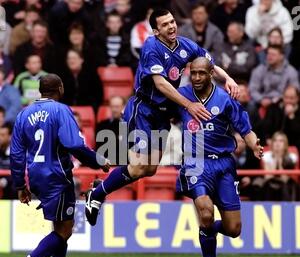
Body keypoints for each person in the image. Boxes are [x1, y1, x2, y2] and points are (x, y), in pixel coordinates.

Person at [85, 8, 239, 226]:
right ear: (157, 31)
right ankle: (98, 193)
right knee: (139, 166)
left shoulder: (185, 45)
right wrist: (189, 105)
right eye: (165, 24)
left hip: (163, 113)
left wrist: (228, 78)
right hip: (144, 110)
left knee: (149, 169)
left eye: (173, 21)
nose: (172, 26)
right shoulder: (151, 47)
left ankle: (99, 191)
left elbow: (208, 63)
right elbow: (160, 84)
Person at [6, 74, 110, 257]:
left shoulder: (24, 114)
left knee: (61, 226)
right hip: (57, 175)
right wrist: (97, 161)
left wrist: (20, 185)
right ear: (60, 89)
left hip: (36, 176)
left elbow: (16, 154)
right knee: (64, 230)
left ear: (40, 90)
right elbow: (73, 143)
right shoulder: (61, 110)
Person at [176, 57, 263, 257]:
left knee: (234, 229)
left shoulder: (225, 99)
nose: (196, 78)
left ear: (211, 73)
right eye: (193, 73)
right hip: (195, 164)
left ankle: (207, 231)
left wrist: (254, 146)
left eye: (201, 73)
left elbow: (245, 129)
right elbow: (158, 107)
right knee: (205, 212)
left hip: (224, 165)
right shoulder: (181, 95)